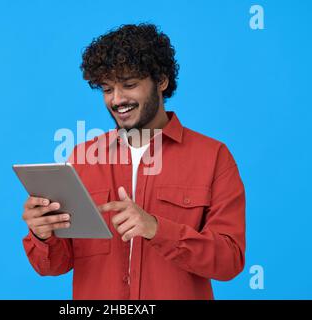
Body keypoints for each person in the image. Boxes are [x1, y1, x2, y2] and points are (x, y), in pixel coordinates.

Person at [21, 23, 246, 299]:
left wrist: (157, 229)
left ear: (161, 81)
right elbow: (55, 265)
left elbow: (229, 261)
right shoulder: (81, 158)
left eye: (129, 85)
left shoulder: (213, 157)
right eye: (107, 89)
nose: (117, 100)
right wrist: (43, 234)